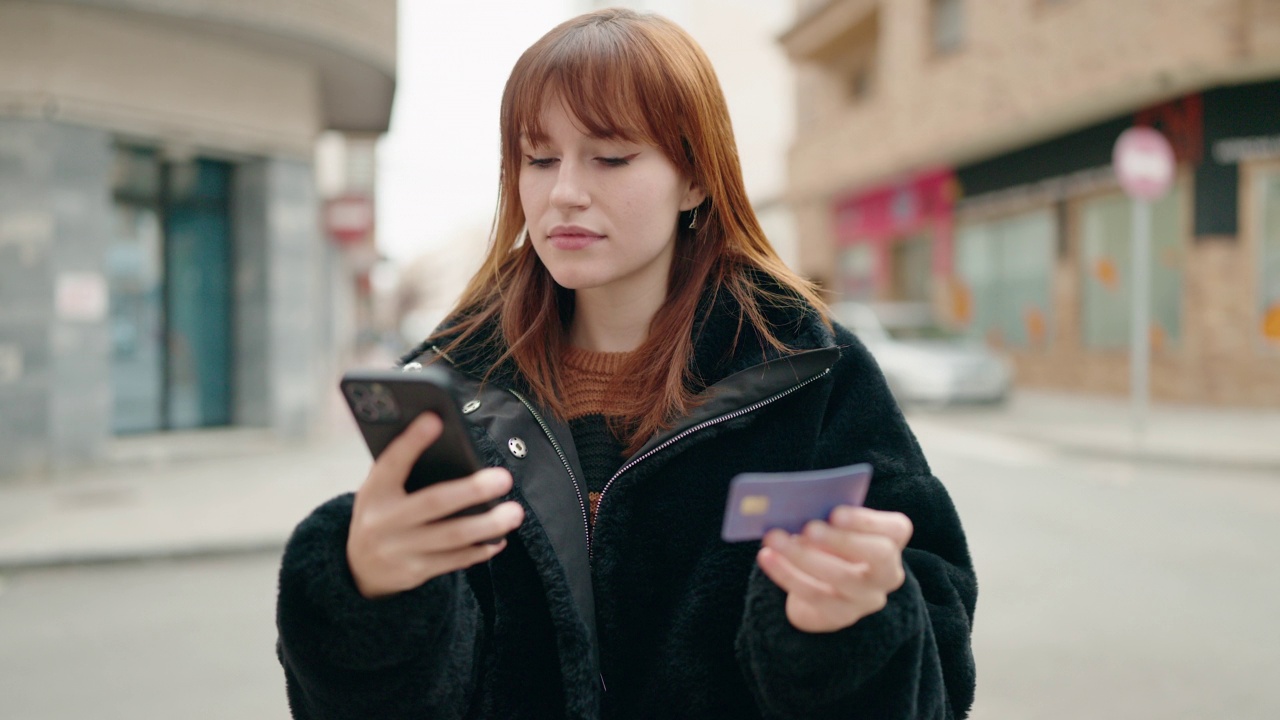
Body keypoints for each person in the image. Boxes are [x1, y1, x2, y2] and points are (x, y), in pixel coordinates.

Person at [275, 8, 977, 719]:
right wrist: (368, 595)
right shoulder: (459, 385)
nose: (564, 192)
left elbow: (936, 675)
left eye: (610, 157)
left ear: (696, 179)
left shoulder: (812, 372)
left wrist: (855, 627)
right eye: (539, 158)